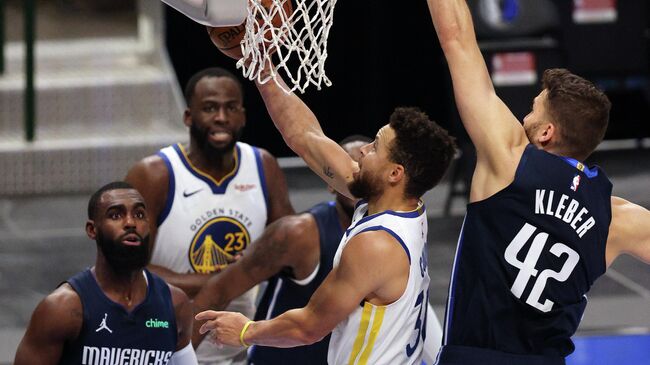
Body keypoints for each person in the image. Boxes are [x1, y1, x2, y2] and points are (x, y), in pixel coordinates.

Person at [426, 1, 650, 364]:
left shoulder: (508, 157)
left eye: (532, 110)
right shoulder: (618, 218)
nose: (523, 117)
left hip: (474, 357)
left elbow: (457, 39)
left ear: (546, 132)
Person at [195, 62, 456, 364]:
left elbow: (309, 326)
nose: (362, 151)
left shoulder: (377, 245)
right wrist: (261, 67)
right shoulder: (400, 204)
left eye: (375, 147)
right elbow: (305, 137)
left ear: (395, 173)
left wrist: (245, 331)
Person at [125, 67, 294, 365]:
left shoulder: (263, 165)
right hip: (163, 343)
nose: (221, 118)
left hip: (242, 345)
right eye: (209, 108)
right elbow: (127, 270)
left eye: (231, 108)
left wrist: (258, 260)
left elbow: (291, 252)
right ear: (188, 117)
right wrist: (223, 278)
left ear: (242, 115)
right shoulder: (154, 174)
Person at [14, 181, 198, 365]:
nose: (130, 223)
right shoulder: (62, 309)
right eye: (116, 215)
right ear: (92, 230)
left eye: (139, 214)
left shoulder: (175, 305)